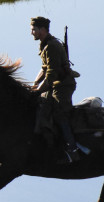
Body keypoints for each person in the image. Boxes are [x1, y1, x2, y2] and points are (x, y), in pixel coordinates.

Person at [30, 16, 83, 163]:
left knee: (60, 113)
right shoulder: (45, 45)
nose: (32, 33)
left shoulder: (52, 46)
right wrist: (34, 84)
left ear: (42, 30)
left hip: (63, 85)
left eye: (33, 30)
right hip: (55, 84)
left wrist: (37, 91)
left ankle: (72, 150)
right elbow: (44, 69)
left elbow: (50, 76)